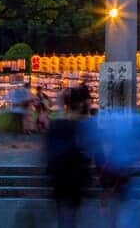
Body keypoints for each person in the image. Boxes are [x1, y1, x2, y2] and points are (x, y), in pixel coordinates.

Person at [45, 92, 92, 228]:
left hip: (59, 176)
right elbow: (86, 153)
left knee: (63, 214)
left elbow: (48, 153)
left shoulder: (55, 126)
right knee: (71, 215)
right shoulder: (81, 127)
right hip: (74, 177)